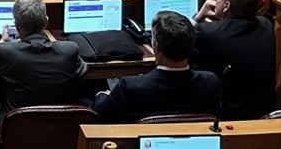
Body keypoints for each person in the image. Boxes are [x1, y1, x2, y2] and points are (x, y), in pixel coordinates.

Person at [93, 11, 221, 122]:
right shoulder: (210, 82)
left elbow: (101, 113)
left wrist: (102, 94)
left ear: (156, 48)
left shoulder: (130, 87)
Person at [0, 0, 85, 113]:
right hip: (61, 123)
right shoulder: (69, 50)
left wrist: (1, 42)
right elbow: (82, 70)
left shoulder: (5, 51)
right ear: (46, 22)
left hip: (18, 125)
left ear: (17, 27)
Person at [191, 0, 279, 120]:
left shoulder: (209, 33)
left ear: (226, 6)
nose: (215, 1)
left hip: (228, 116)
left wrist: (198, 17)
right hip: (265, 111)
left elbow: (177, 44)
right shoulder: (266, 24)